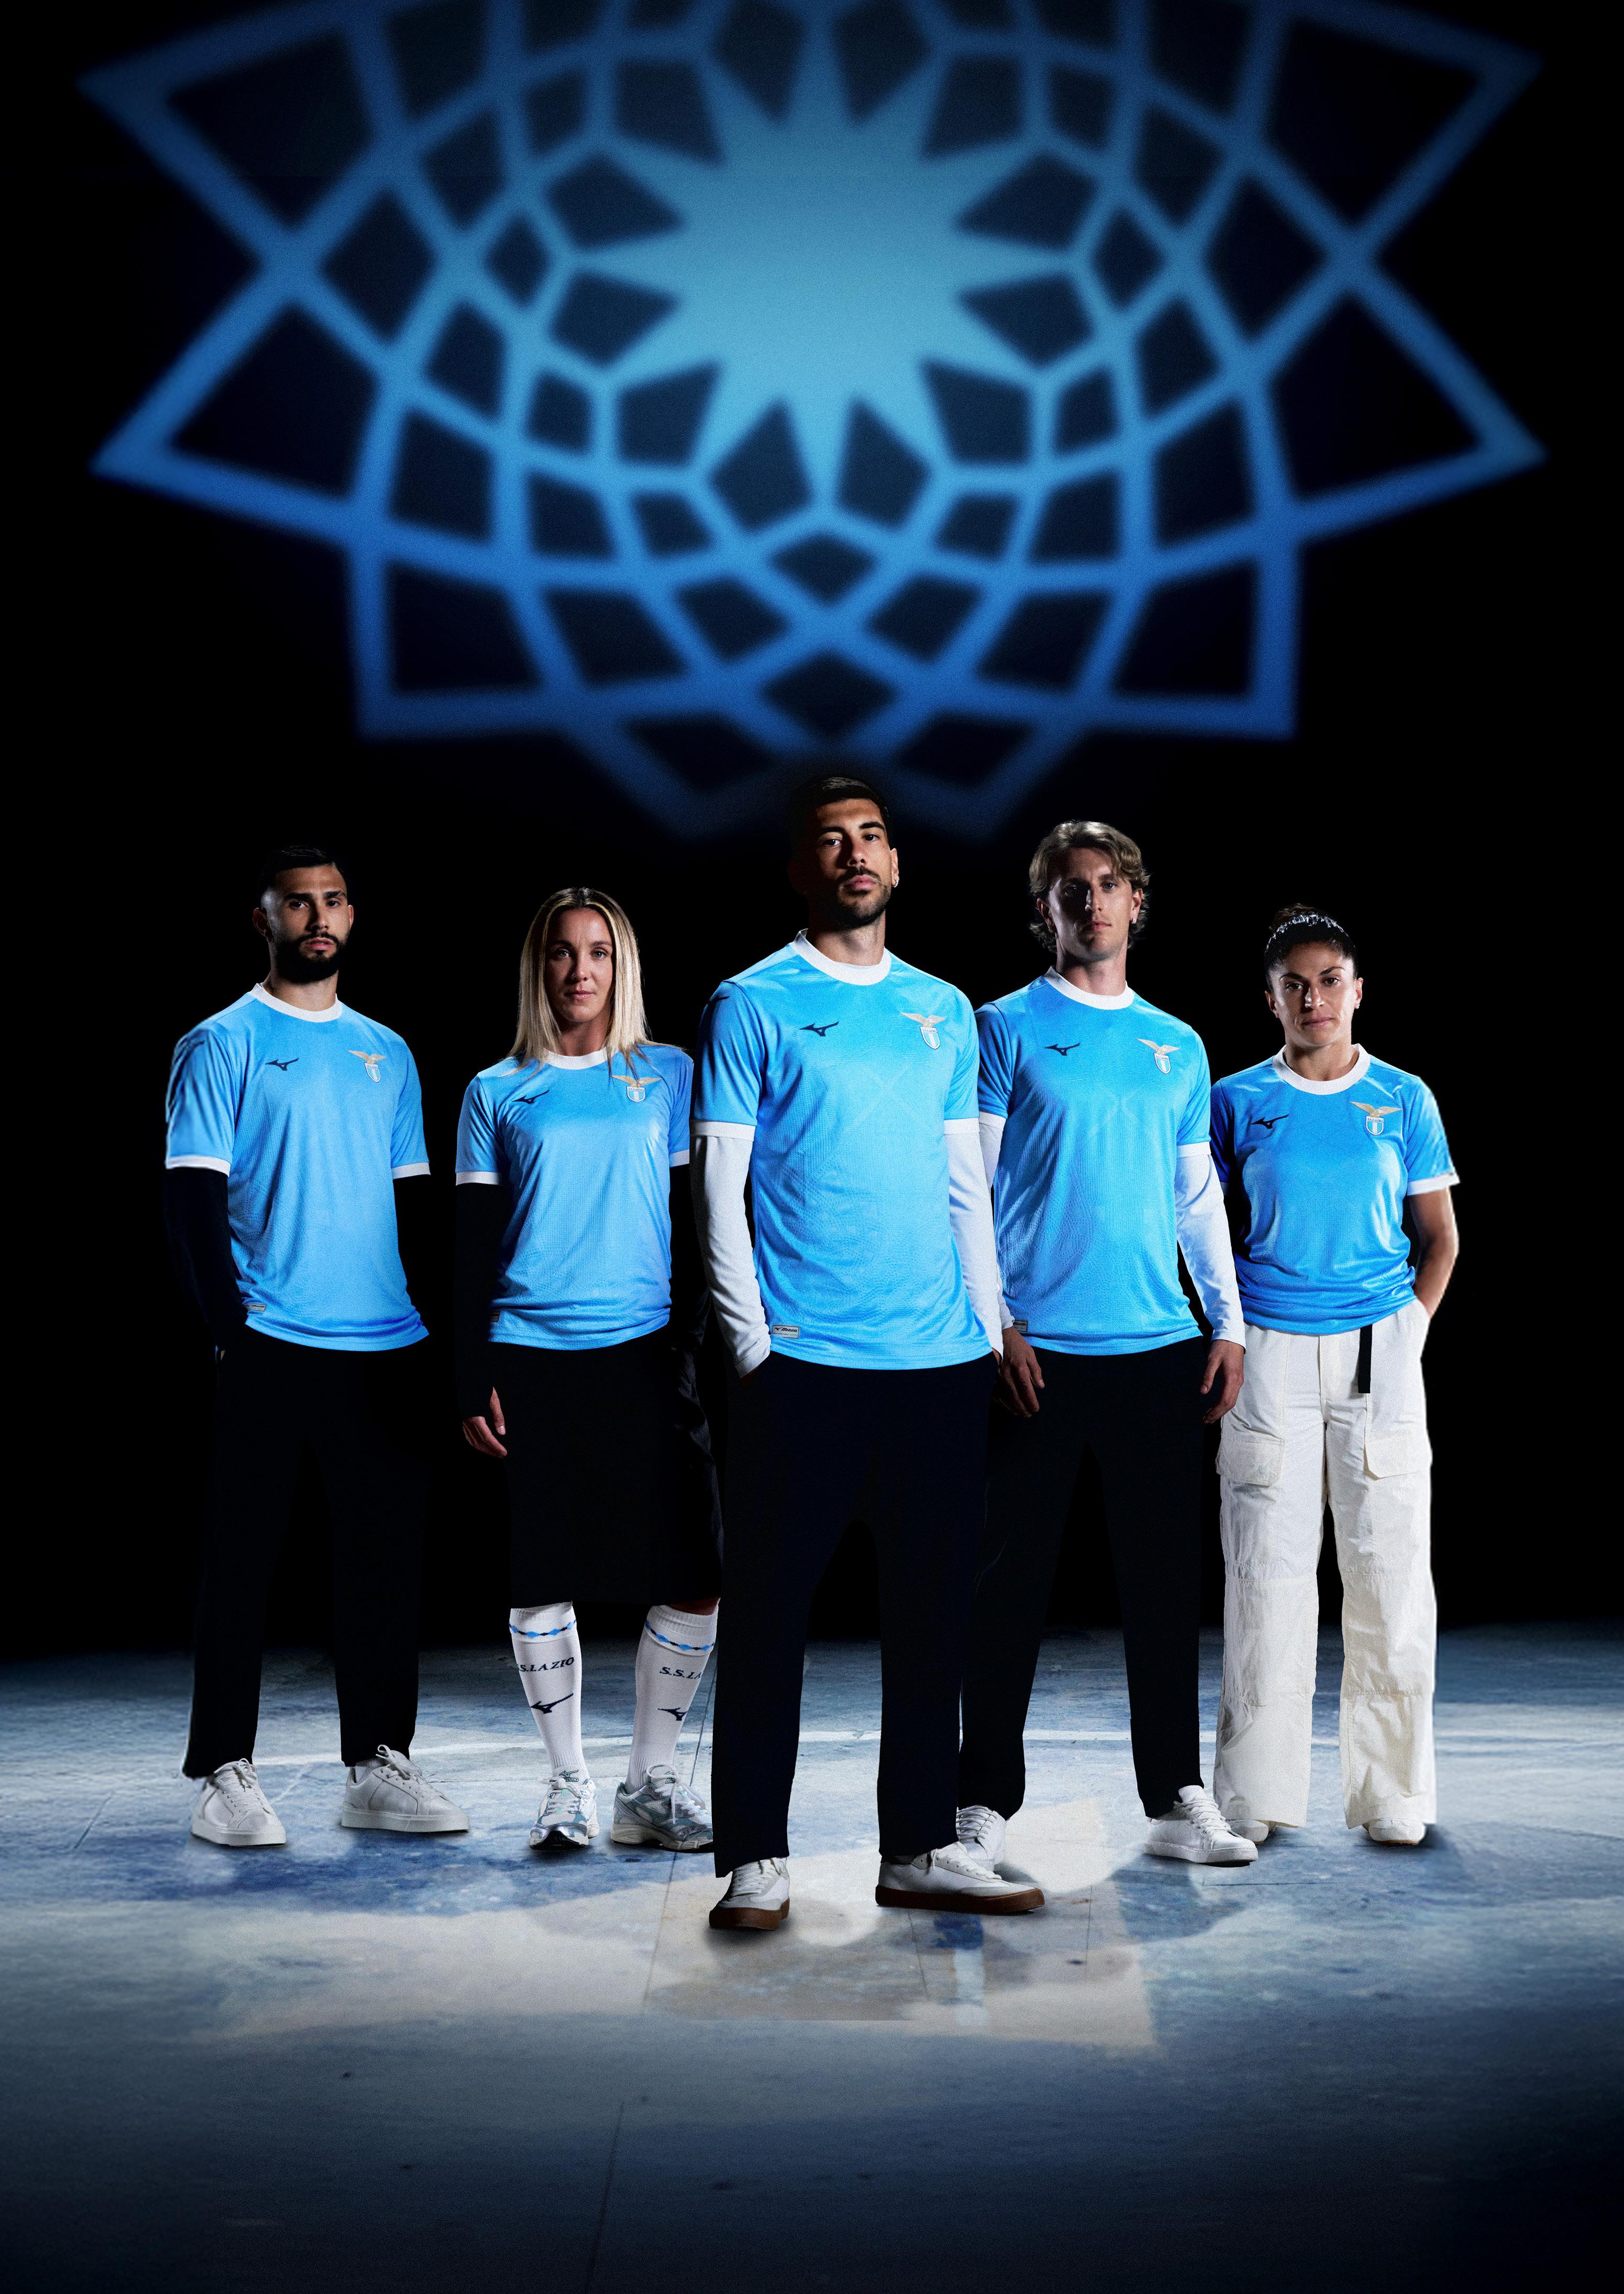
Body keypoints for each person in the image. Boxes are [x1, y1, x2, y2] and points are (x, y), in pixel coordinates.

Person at [692, 773, 1040, 1933]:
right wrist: (751, 1347)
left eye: (872, 836)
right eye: (831, 840)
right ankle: (754, 1854)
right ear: (801, 869)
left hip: (936, 1366)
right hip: (803, 1369)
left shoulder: (942, 1008)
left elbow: (964, 1183)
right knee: (769, 1622)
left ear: (896, 862)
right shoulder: (751, 1002)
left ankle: (919, 1846)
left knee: (931, 1623)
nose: (855, 854)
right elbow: (721, 1189)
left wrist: (985, 1327)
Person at [957, 820, 1258, 1870]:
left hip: (1156, 1347)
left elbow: (1195, 1196)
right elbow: (969, 1187)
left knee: (1163, 1587)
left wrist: (1226, 1321)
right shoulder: (1001, 1027)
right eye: (1069, 888)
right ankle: (980, 1802)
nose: (1091, 902)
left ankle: (1175, 1797)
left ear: (1136, 900)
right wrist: (993, 1322)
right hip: (1035, 1353)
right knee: (1005, 1590)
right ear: (1043, 910)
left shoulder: (1177, 1044)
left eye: (1107, 884)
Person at [163, 844, 467, 1848]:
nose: (319, 917)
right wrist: (230, 1334)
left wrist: (435, 1336)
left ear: (353, 918)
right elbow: (192, 1202)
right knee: (242, 1562)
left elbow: (414, 1206)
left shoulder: (388, 1051)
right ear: (264, 921)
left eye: (334, 901)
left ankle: (377, 1764)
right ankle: (223, 1771)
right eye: (298, 903)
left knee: (383, 1566)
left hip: (384, 1345)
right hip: (272, 1339)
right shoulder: (221, 1042)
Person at [456, 887, 722, 1854]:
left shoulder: (668, 1075)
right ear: (540, 966)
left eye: (599, 952)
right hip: (531, 1354)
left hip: (645, 1353)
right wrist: (470, 1371)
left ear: (623, 966)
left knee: (696, 1575)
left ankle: (648, 1785)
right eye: (564, 953)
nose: (581, 971)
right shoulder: (496, 1090)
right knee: (542, 1577)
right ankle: (566, 1783)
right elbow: (472, 1243)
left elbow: (699, 1219)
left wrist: (694, 1342)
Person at [1209, 907, 1458, 1848]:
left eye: (1329, 981)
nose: (1314, 999)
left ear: (1358, 990)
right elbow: (1203, 1228)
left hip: (1377, 1349)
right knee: (1264, 1578)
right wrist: (1225, 1331)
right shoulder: (1237, 1099)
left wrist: (1406, 1334)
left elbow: (1440, 1239)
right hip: (1269, 1352)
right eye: (1294, 985)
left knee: (1390, 1575)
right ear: (1271, 998)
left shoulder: (1403, 1097)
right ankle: (1255, 1793)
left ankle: (1393, 1793)